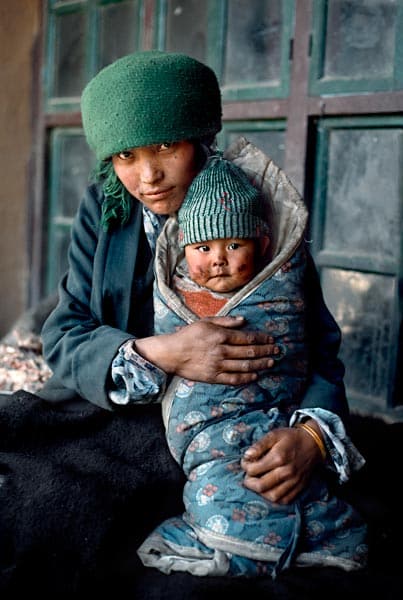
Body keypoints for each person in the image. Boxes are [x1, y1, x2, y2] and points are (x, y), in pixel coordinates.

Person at [37, 50, 362, 574]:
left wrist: (312, 438)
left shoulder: (258, 212)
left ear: (202, 140)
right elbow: (65, 331)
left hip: (236, 422)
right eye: (125, 156)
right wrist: (160, 352)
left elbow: (319, 345)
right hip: (122, 410)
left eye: (166, 145)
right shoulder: (106, 207)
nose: (147, 176)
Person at [134, 154, 367, 577]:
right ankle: (242, 541)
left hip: (273, 411)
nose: (218, 259)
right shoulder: (176, 282)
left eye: (234, 245)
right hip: (207, 429)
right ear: (184, 249)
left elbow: (312, 350)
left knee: (277, 473)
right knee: (216, 487)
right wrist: (167, 349)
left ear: (261, 247)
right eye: (203, 248)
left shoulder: (281, 279)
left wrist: (312, 434)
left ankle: (264, 541)